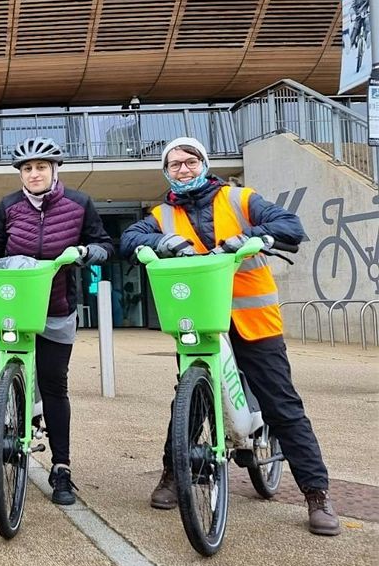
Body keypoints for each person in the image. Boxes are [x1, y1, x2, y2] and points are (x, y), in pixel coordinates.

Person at [120, 136, 340, 536]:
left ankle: (317, 494)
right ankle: (174, 474)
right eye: (174, 164)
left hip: (252, 320)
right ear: (166, 172)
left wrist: (252, 237)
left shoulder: (240, 198)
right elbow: (129, 238)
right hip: (200, 320)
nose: (182, 169)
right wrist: (160, 241)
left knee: (282, 405)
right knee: (188, 400)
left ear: (203, 163)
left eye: (189, 162)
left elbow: (290, 225)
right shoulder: (161, 213)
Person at [0, 137, 114, 506]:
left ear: (54, 170)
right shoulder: (9, 205)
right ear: (21, 175)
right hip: (16, 297)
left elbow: (105, 244)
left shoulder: (79, 204)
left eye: (41, 167)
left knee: (54, 385)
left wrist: (87, 252)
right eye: (27, 168)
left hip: (57, 304)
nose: (34, 173)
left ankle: (62, 468)